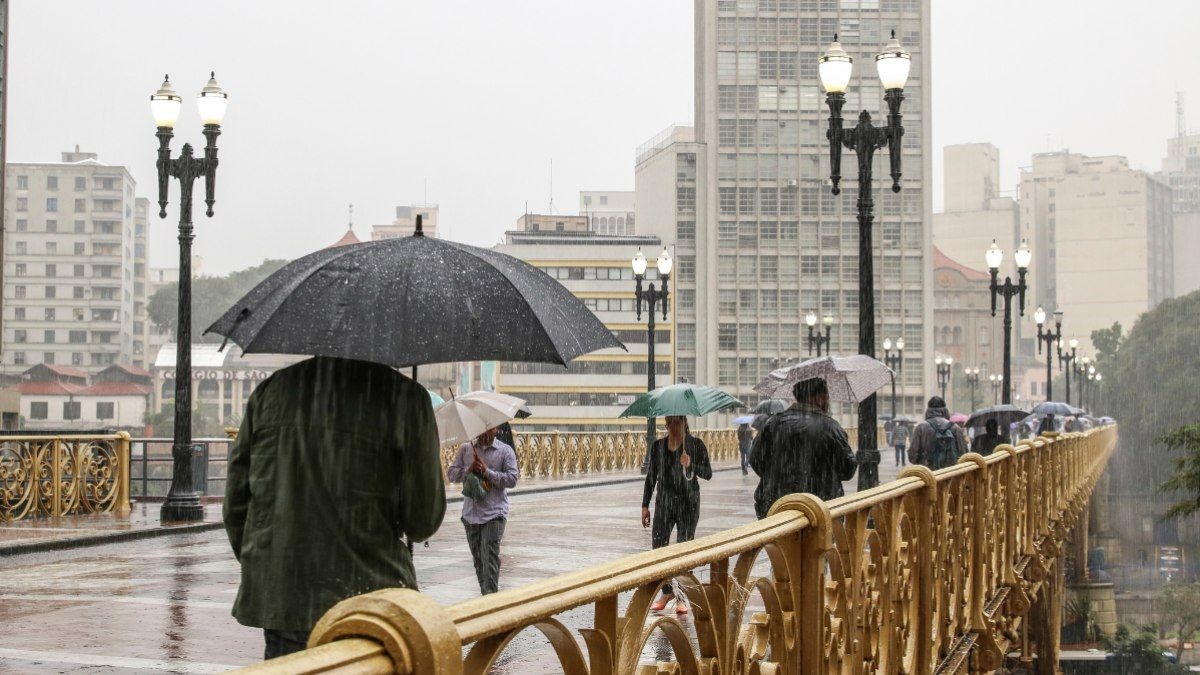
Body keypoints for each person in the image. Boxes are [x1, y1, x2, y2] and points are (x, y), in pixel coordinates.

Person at [224, 356, 445, 660]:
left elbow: (236, 502)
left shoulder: (272, 391)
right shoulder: (406, 398)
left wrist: (275, 563)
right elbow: (423, 521)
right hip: (371, 598)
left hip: (286, 596)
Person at [749, 377, 857, 519]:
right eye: (827, 398)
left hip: (775, 506)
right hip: (819, 510)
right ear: (818, 398)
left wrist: (777, 478)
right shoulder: (831, 427)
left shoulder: (774, 423)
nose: (827, 403)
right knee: (818, 542)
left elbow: (755, 459)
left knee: (776, 542)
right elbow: (847, 470)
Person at [641, 415, 713, 614]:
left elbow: (708, 473)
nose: (673, 427)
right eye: (669, 422)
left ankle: (681, 594)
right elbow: (651, 477)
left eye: (677, 422)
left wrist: (690, 464)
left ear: (684, 423)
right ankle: (666, 591)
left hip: (688, 503)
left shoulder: (695, 445)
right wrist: (645, 505)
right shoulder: (658, 447)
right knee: (659, 547)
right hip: (664, 502)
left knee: (683, 547)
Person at [447, 426, 519, 595]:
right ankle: (485, 597)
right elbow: (451, 474)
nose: (486, 434)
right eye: (483, 430)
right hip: (470, 515)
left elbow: (512, 479)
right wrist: (468, 470)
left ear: (497, 430)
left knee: (489, 560)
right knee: (478, 561)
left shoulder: (504, 451)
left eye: (490, 430)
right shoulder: (466, 448)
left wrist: (487, 472)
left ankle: (490, 602)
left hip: (494, 514)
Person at [908, 396, 968, 470]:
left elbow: (912, 455)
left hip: (928, 475)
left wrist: (923, 462)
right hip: (951, 475)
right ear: (945, 410)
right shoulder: (955, 428)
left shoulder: (920, 428)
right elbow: (964, 453)